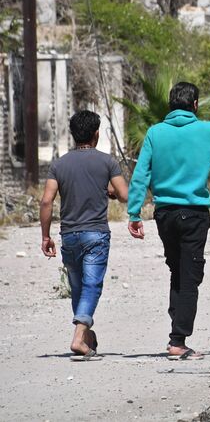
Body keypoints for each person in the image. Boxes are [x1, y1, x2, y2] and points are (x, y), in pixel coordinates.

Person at [127, 82, 210, 360]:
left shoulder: (155, 132)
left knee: (178, 270)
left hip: (164, 214)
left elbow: (140, 175)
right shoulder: (207, 130)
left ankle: (176, 330)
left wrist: (134, 213)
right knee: (190, 277)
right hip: (194, 214)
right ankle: (177, 341)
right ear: (195, 104)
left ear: (171, 104)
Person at [39, 110, 129, 361]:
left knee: (78, 289)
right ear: (96, 133)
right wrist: (110, 190)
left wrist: (45, 236)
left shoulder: (59, 164)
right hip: (96, 234)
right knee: (92, 286)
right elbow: (124, 195)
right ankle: (79, 339)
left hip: (68, 235)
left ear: (73, 135)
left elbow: (46, 201)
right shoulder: (106, 162)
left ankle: (87, 337)